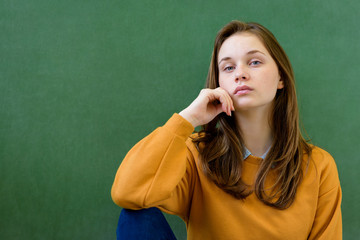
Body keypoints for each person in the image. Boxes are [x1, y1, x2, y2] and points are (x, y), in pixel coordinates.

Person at [111, 20, 342, 239]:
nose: (240, 74)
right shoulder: (196, 154)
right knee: (134, 216)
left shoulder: (319, 167)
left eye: (254, 62)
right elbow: (127, 192)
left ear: (281, 77)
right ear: (219, 83)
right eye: (229, 67)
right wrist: (188, 118)